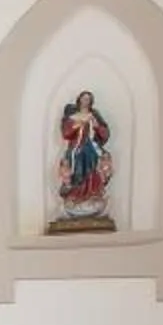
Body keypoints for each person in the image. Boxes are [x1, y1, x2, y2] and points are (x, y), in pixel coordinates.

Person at [54, 90, 113, 227]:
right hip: (76, 148)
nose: (85, 101)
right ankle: (75, 196)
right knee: (76, 166)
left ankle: (93, 194)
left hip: (91, 148)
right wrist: (78, 124)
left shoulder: (94, 116)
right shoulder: (73, 117)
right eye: (83, 98)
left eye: (88, 99)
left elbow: (104, 134)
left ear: (91, 102)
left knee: (94, 167)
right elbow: (66, 133)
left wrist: (96, 125)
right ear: (79, 100)